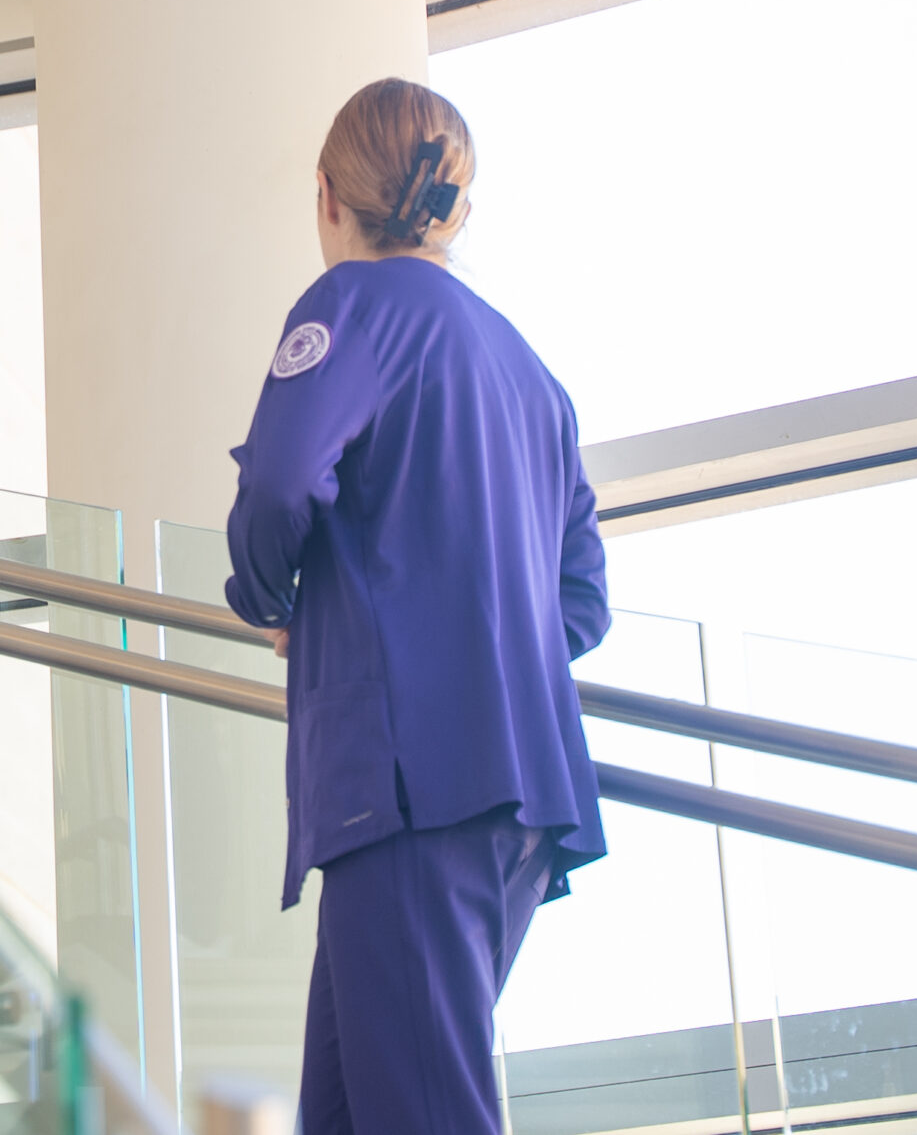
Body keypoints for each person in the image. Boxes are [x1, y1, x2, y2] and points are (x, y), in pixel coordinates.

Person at [224, 77, 608, 1134]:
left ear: (326, 195)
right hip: (520, 800)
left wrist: (268, 596)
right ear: (456, 208)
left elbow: (279, 484)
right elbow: (580, 600)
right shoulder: (530, 373)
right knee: (354, 1114)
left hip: (407, 793)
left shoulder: (351, 306)